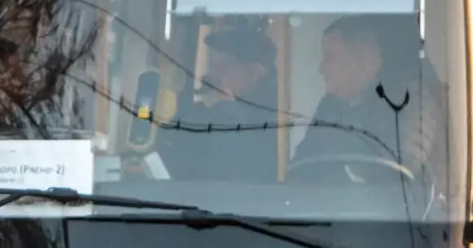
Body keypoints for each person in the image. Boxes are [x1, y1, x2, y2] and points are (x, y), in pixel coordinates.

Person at [293, 16, 413, 178]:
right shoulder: (329, 105)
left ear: (364, 59)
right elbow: (300, 167)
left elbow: (401, 182)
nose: (322, 68)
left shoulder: (404, 105)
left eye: (330, 57)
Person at [161, 24, 280, 182]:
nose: (210, 75)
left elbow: (241, 165)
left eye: (221, 67)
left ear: (254, 73)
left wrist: (227, 106)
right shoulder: (210, 108)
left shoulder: (275, 116)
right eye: (212, 66)